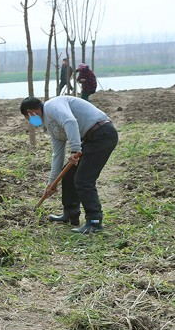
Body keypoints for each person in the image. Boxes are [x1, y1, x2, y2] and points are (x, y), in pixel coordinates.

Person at [21, 95, 118, 234]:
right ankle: (71, 214)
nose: (30, 121)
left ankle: (94, 222)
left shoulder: (51, 106)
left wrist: (75, 149)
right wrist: (52, 183)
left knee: (83, 180)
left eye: (28, 117)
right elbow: (57, 155)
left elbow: (70, 121)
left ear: (31, 112)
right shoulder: (52, 125)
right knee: (68, 174)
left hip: (102, 134)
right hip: (91, 139)